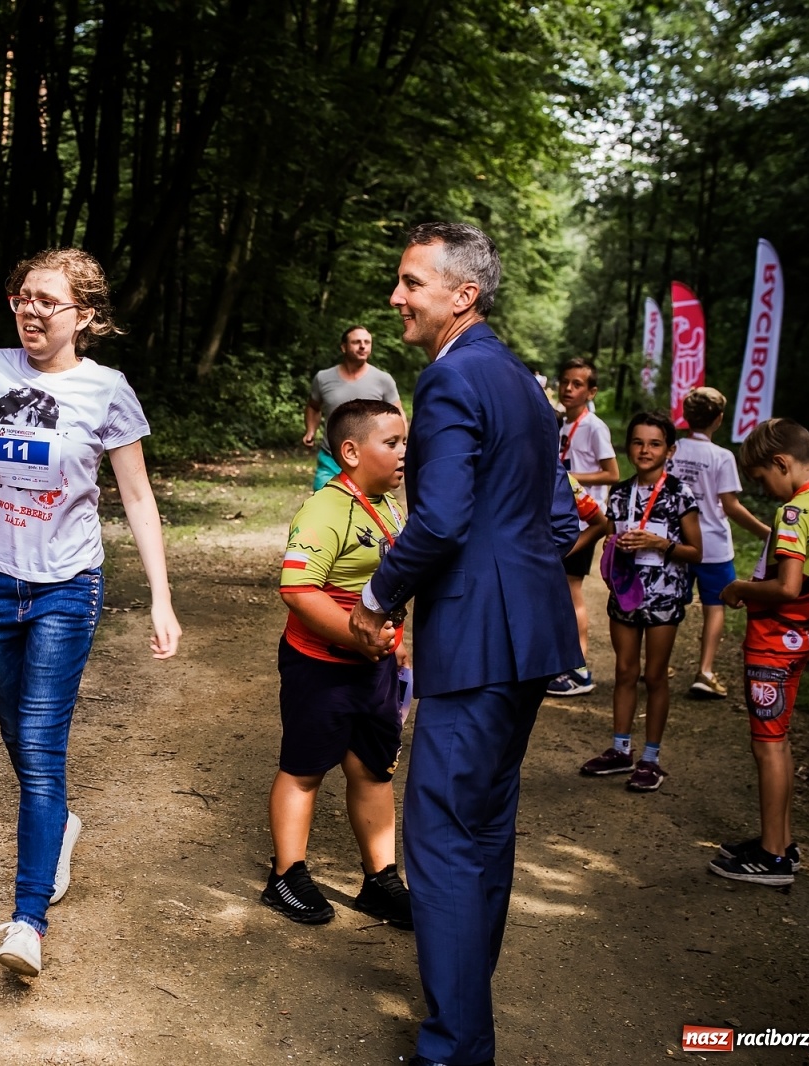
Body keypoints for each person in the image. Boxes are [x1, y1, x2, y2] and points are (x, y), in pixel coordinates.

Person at [348, 222, 578, 1066]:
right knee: (483, 828)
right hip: (530, 635)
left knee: (442, 836)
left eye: (412, 282)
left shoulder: (448, 380)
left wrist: (377, 596)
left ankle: (453, 1048)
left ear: (463, 294)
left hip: (478, 636)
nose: (396, 297)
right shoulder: (520, 380)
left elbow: (441, 520)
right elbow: (559, 519)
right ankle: (464, 1016)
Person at [0, 247, 181, 978]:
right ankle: (59, 823)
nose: (31, 310)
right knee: (18, 734)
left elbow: (137, 498)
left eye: (47, 300)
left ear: (85, 315)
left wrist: (161, 596)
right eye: (23, 297)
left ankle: (28, 920)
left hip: (66, 585)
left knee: (40, 748)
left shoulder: (107, 390)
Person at [265, 399, 413, 930]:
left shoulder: (389, 506)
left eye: (404, 441)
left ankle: (380, 881)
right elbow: (298, 589)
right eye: (392, 443)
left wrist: (397, 642)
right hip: (320, 666)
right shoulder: (325, 510)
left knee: (373, 768)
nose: (404, 452)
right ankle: (286, 875)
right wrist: (358, 635)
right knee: (304, 769)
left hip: (374, 667)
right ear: (350, 452)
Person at [711, 418, 809, 885]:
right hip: (800, 638)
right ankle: (781, 842)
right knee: (779, 742)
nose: (764, 489)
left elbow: (785, 587)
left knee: (766, 747)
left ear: (782, 463)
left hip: (771, 643)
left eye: (763, 478)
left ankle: (772, 859)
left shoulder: (793, 512)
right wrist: (797, 591)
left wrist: (740, 588)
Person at [579, 411, 702, 792]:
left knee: (655, 676)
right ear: (628, 446)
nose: (645, 450)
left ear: (670, 450)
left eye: (655, 444)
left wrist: (659, 543)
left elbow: (696, 551)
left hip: (664, 598)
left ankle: (651, 759)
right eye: (638, 442)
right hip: (626, 595)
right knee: (625, 671)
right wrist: (613, 544)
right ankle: (620, 750)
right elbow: (611, 537)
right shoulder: (620, 493)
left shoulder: (680, 493)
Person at [668, 387, 772, 699]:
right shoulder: (722, 456)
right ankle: (705, 672)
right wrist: (766, 532)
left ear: (686, 416)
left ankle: (657, 665)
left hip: (675, 543)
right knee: (715, 606)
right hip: (713, 546)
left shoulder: (671, 449)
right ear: (719, 419)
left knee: (670, 605)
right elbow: (731, 506)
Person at [546, 357, 618, 697]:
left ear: (592, 392)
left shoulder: (594, 427)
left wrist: (568, 477)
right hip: (560, 515)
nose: (568, 389)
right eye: (565, 382)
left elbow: (613, 473)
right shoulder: (561, 423)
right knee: (556, 591)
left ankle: (579, 667)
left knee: (572, 590)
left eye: (577, 384)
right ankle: (560, 662)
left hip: (584, 519)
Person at [302, 326, 402, 491]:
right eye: (356, 342)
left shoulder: (383, 380)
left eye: (367, 342)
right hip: (331, 458)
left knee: (364, 506)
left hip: (369, 460)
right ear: (344, 347)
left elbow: (398, 415)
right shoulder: (323, 378)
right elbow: (313, 407)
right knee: (324, 502)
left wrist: (397, 446)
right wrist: (310, 431)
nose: (363, 346)